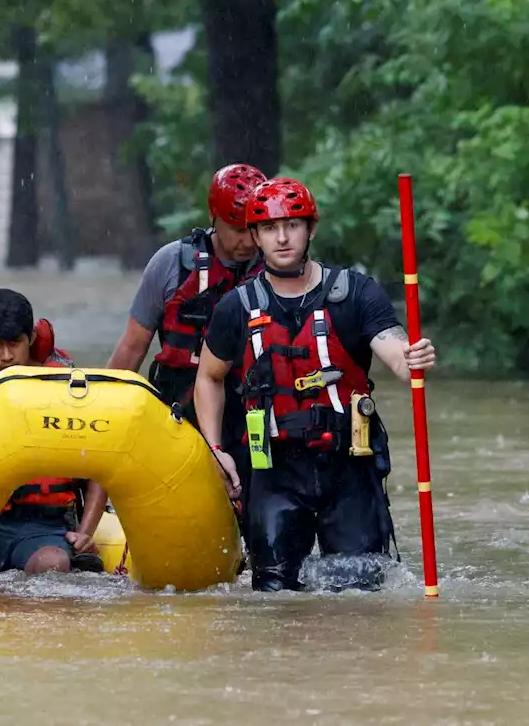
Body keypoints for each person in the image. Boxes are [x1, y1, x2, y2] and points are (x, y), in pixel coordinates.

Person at [193, 178, 437, 591]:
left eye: (293, 225)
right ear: (255, 236)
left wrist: (410, 357)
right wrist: (216, 449)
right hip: (274, 472)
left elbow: (392, 346)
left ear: (311, 229)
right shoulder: (236, 306)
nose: (283, 238)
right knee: (275, 595)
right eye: (270, 228)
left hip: (349, 466)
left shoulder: (356, 293)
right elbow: (209, 377)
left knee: (359, 592)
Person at [107, 163, 266, 485]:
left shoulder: (278, 269)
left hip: (253, 415)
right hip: (180, 408)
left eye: (254, 228)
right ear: (213, 216)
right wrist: (103, 413)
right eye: (236, 229)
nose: (248, 241)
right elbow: (132, 347)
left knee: (262, 509)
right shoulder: (170, 264)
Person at [0, 288, 106, 579]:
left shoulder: (69, 389)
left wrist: (86, 533)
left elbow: (102, 465)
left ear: (31, 339)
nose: (7, 356)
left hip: (45, 527)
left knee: (54, 567)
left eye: (15, 343)